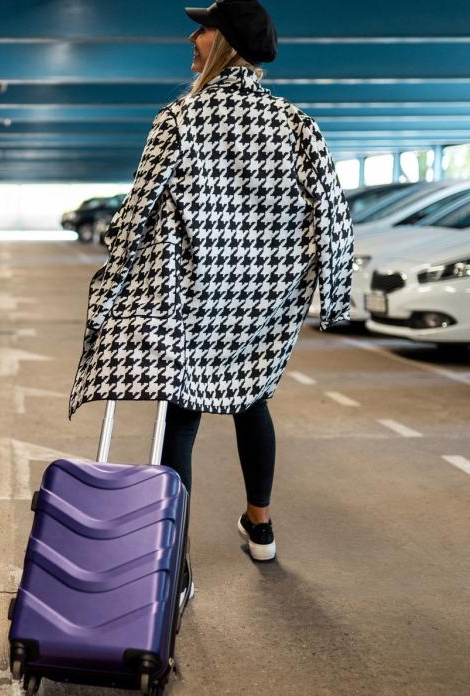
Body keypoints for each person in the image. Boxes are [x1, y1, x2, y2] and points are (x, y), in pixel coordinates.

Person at [69, 0, 353, 578]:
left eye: (202, 30)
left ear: (224, 42)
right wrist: (334, 296)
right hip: (266, 299)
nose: (192, 39)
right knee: (252, 403)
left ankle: (175, 550)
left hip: (192, 292)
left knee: (183, 415)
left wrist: (111, 288)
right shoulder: (298, 125)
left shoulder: (181, 118)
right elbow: (334, 214)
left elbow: (139, 208)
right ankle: (261, 525)